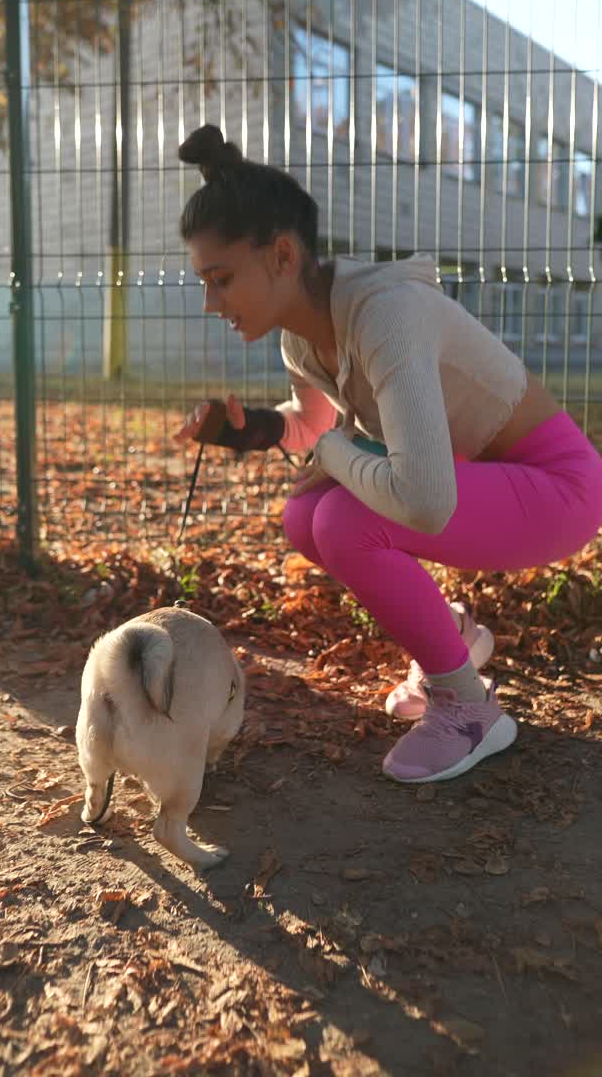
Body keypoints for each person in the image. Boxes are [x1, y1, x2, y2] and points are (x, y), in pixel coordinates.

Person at [173, 123, 602, 784]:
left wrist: (331, 449)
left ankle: (468, 708)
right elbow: (311, 427)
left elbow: (424, 503)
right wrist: (249, 430)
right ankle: (452, 638)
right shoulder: (302, 338)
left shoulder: (385, 313)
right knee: (307, 513)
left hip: (559, 490)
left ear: (283, 256)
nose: (210, 303)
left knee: (343, 518)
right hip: (482, 476)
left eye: (221, 279)